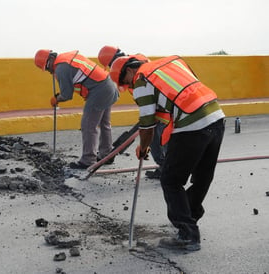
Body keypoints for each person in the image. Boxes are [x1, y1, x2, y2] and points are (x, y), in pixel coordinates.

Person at [110, 55, 225, 251]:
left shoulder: (142, 80)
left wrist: (144, 147)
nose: (129, 87)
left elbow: (147, 125)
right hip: (216, 117)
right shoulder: (170, 64)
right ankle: (190, 214)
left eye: (125, 82)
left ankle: (188, 235)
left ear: (129, 71)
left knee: (171, 180)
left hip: (192, 125)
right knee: (203, 176)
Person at [34, 49, 119, 169]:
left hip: (99, 91)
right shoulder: (66, 58)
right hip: (108, 85)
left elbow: (67, 94)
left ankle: (88, 160)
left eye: (47, 68)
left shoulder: (61, 68)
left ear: (49, 61)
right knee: (104, 123)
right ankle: (107, 154)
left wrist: (57, 99)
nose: (49, 72)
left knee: (88, 125)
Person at [98, 45, 165, 179]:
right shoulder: (139, 59)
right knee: (154, 136)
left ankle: (166, 170)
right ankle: (164, 168)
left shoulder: (131, 72)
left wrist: (149, 119)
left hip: (161, 107)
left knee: (156, 137)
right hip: (160, 102)